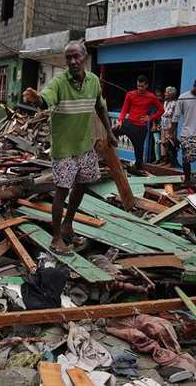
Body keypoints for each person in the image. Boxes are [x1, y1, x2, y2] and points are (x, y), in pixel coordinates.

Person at [22, 41, 117, 255]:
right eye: (68, 58)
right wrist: (37, 99)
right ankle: (56, 239)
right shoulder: (59, 83)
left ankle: (68, 224)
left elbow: (100, 107)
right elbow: (46, 99)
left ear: (84, 58)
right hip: (64, 147)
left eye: (76, 57)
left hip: (84, 145)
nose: (73, 61)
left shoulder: (93, 81)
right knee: (62, 190)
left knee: (83, 184)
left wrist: (109, 133)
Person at [112, 76, 164, 169]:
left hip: (141, 127)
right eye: (138, 86)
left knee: (139, 150)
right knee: (113, 131)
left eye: (142, 86)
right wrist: (120, 120)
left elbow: (161, 110)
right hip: (129, 123)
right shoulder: (130, 94)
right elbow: (124, 108)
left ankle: (138, 167)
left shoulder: (151, 96)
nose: (140, 88)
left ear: (146, 86)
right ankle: (110, 155)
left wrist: (150, 118)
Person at [170, 75, 196, 184]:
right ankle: (188, 179)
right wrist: (171, 134)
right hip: (187, 134)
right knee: (187, 159)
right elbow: (176, 117)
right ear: (194, 85)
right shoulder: (183, 97)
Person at [159, 86, 178, 166]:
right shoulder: (165, 102)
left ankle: (171, 162)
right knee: (163, 142)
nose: (165, 94)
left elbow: (169, 114)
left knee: (169, 143)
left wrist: (162, 113)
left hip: (170, 126)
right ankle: (163, 159)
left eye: (167, 92)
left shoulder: (175, 103)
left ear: (171, 94)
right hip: (163, 124)